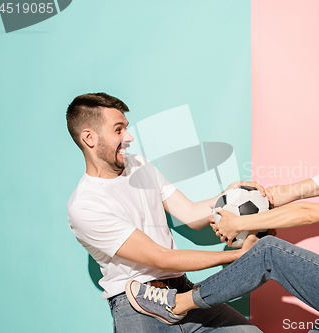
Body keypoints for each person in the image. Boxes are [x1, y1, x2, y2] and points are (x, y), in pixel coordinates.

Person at [126, 86, 319, 333]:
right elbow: (290, 193)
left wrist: (239, 225)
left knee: (270, 251)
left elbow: (309, 214)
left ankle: (178, 304)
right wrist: (247, 192)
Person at [66, 92, 266, 333]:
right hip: (137, 307)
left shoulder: (139, 165)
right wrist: (238, 256)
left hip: (182, 293)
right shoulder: (85, 205)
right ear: (89, 138)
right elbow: (160, 257)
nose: (128, 137)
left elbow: (191, 214)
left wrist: (229, 196)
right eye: (118, 130)